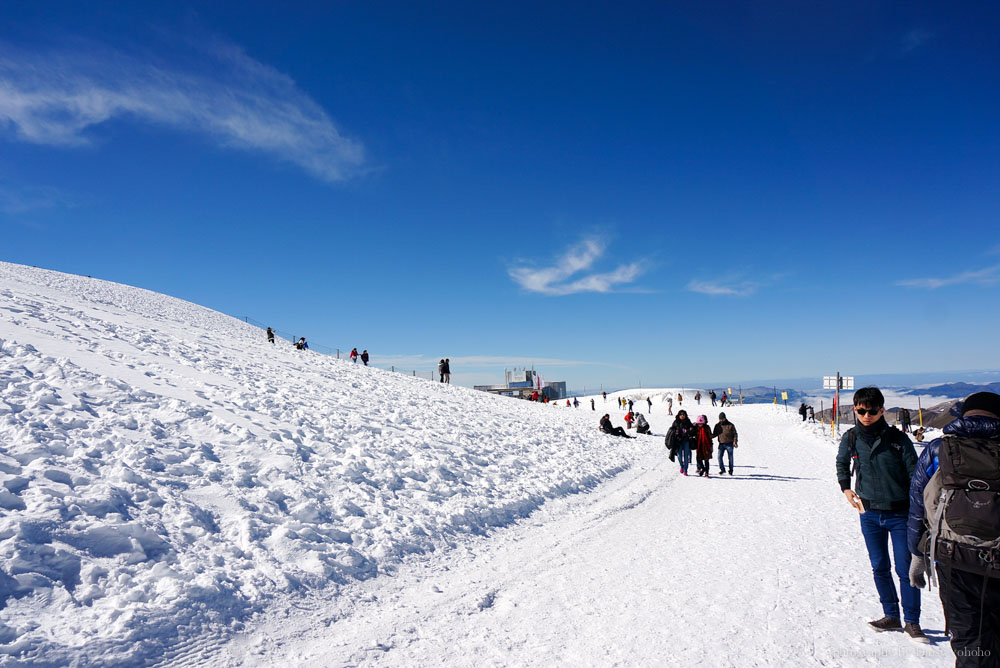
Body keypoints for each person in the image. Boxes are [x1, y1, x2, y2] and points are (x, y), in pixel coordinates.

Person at [907, 391, 1000, 662]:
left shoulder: (938, 449)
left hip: (954, 559)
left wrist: (916, 553)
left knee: (970, 640)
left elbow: (917, 505)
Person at [835, 387, 925, 641]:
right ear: (855, 409)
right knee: (879, 567)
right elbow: (841, 462)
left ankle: (912, 621)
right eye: (861, 410)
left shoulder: (898, 439)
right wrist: (846, 488)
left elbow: (916, 475)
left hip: (900, 514)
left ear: (882, 410)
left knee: (905, 569)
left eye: (872, 411)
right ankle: (891, 616)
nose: (866, 415)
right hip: (869, 513)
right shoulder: (851, 437)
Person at [665, 409, 695, 476]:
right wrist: (675, 432)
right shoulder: (676, 422)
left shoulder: (688, 421)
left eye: (683, 414)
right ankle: (681, 465)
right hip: (678, 441)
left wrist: (687, 431)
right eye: (681, 414)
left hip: (686, 441)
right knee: (679, 456)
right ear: (678, 415)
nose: (682, 416)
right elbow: (672, 429)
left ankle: (685, 470)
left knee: (686, 456)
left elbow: (692, 429)